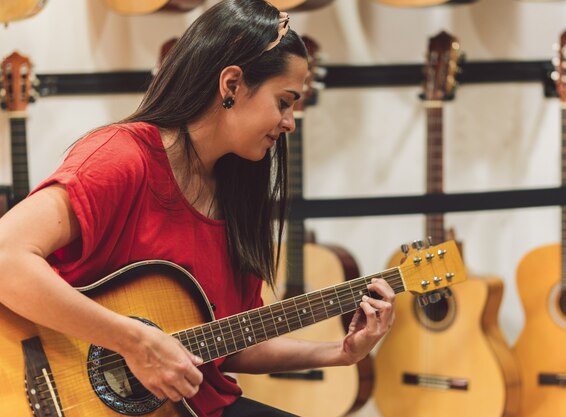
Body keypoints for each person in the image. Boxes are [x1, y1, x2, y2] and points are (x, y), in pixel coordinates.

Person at [0, 1, 396, 416]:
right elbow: (8, 257)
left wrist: (339, 352)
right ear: (231, 85)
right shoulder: (121, 158)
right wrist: (133, 341)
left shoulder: (236, 193)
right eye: (284, 101)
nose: (290, 122)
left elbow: (231, 340)